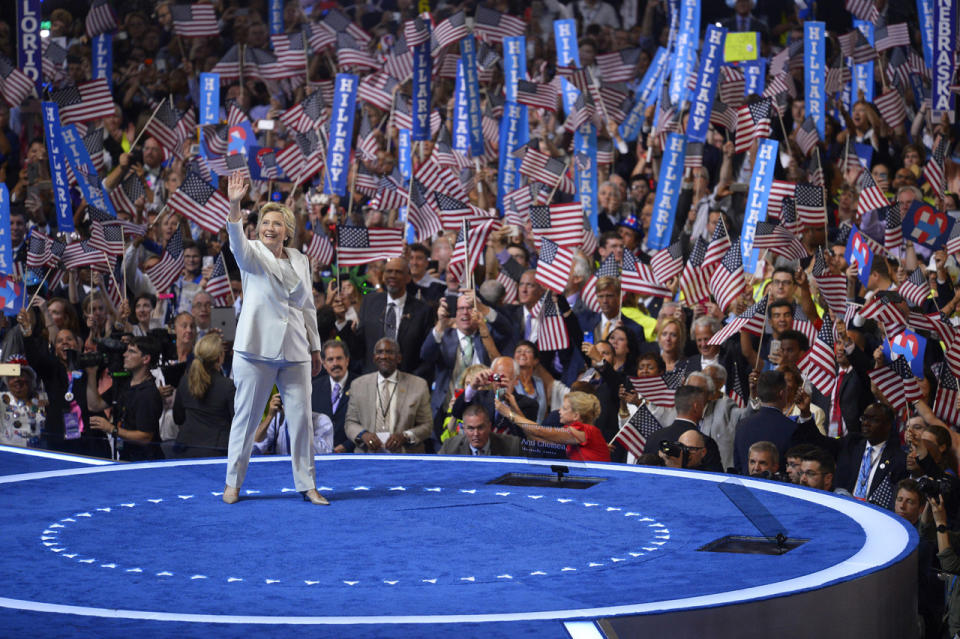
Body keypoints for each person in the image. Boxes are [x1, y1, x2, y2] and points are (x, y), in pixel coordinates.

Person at [223, 173, 326, 506]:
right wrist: (236, 204)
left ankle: (307, 485)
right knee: (246, 419)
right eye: (265, 222)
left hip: (295, 349)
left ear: (288, 230)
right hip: (255, 350)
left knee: (301, 423)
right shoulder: (250, 252)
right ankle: (233, 484)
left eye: (277, 224)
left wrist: (315, 347)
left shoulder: (300, 260)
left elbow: (307, 307)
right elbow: (235, 240)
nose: (270, 228)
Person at [344, 337, 433, 453]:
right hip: (368, 455)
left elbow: (427, 425)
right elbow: (350, 422)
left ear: (399, 358)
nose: (384, 356)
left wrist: (405, 436)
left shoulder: (418, 385)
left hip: (404, 456)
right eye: (379, 352)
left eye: (389, 352)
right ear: (374, 358)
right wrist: (363, 435)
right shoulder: (358, 385)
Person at [87, 337, 164, 462]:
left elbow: (145, 437)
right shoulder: (124, 384)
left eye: (131, 351)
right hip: (126, 457)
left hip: (145, 461)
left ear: (146, 359)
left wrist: (111, 429)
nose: (124, 354)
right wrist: (91, 374)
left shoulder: (148, 393)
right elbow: (94, 405)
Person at [497, 390, 611, 462]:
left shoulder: (585, 431)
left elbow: (539, 431)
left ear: (576, 415)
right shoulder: (574, 433)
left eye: (564, 408)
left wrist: (508, 413)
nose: (559, 411)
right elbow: (535, 437)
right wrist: (515, 408)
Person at [172, 333, 235, 458]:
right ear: (220, 357)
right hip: (216, 453)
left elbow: (178, 418)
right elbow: (237, 422)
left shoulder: (185, 380)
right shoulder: (227, 386)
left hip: (185, 450)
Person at [311, 339, 354, 453]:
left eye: (339, 358)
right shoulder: (313, 388)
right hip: (320, 455)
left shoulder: (360, 385)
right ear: (324, 364)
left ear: (347, 361)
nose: (335, 363)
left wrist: (347, 446)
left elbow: (366, 423)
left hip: (351, 454)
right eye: (330, 360)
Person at [439, 404, 521, 456]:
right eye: (470, 428)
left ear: (489, 426)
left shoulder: (512, 446)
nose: (476, 433)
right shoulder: (449, 447)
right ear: (464, 429)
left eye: (480, 428)